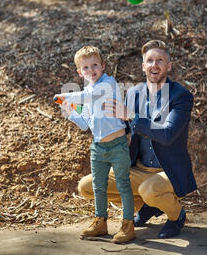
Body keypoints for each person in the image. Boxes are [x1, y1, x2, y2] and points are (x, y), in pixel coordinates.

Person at [78, 40, 197, 239]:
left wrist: (132, 116)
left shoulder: (181, 96)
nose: (154, 65)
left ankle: (176, 215)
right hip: (138, 168)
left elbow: (167, 135)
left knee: (149, 189)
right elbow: (120, 128)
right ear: (143, 66)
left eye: (160, 60)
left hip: (167, 170)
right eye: (149, 60)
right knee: (87, 186)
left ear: (168, 66)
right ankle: (147, 207)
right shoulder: (133, 93)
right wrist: (83, 109)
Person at [54, 45, 135, 244]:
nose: (91, 70)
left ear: (103, 66)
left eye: (95, 65)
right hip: (98, 147)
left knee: (123, 184)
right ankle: (101, 222)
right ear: (79, 72)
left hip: (117, 145)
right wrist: (68, 109)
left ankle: (128, 224)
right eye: (86, 68)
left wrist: (67, 96)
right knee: (99, 187)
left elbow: (88, 96)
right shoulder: (85, 93)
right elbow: (83, 124)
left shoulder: (108, 84)